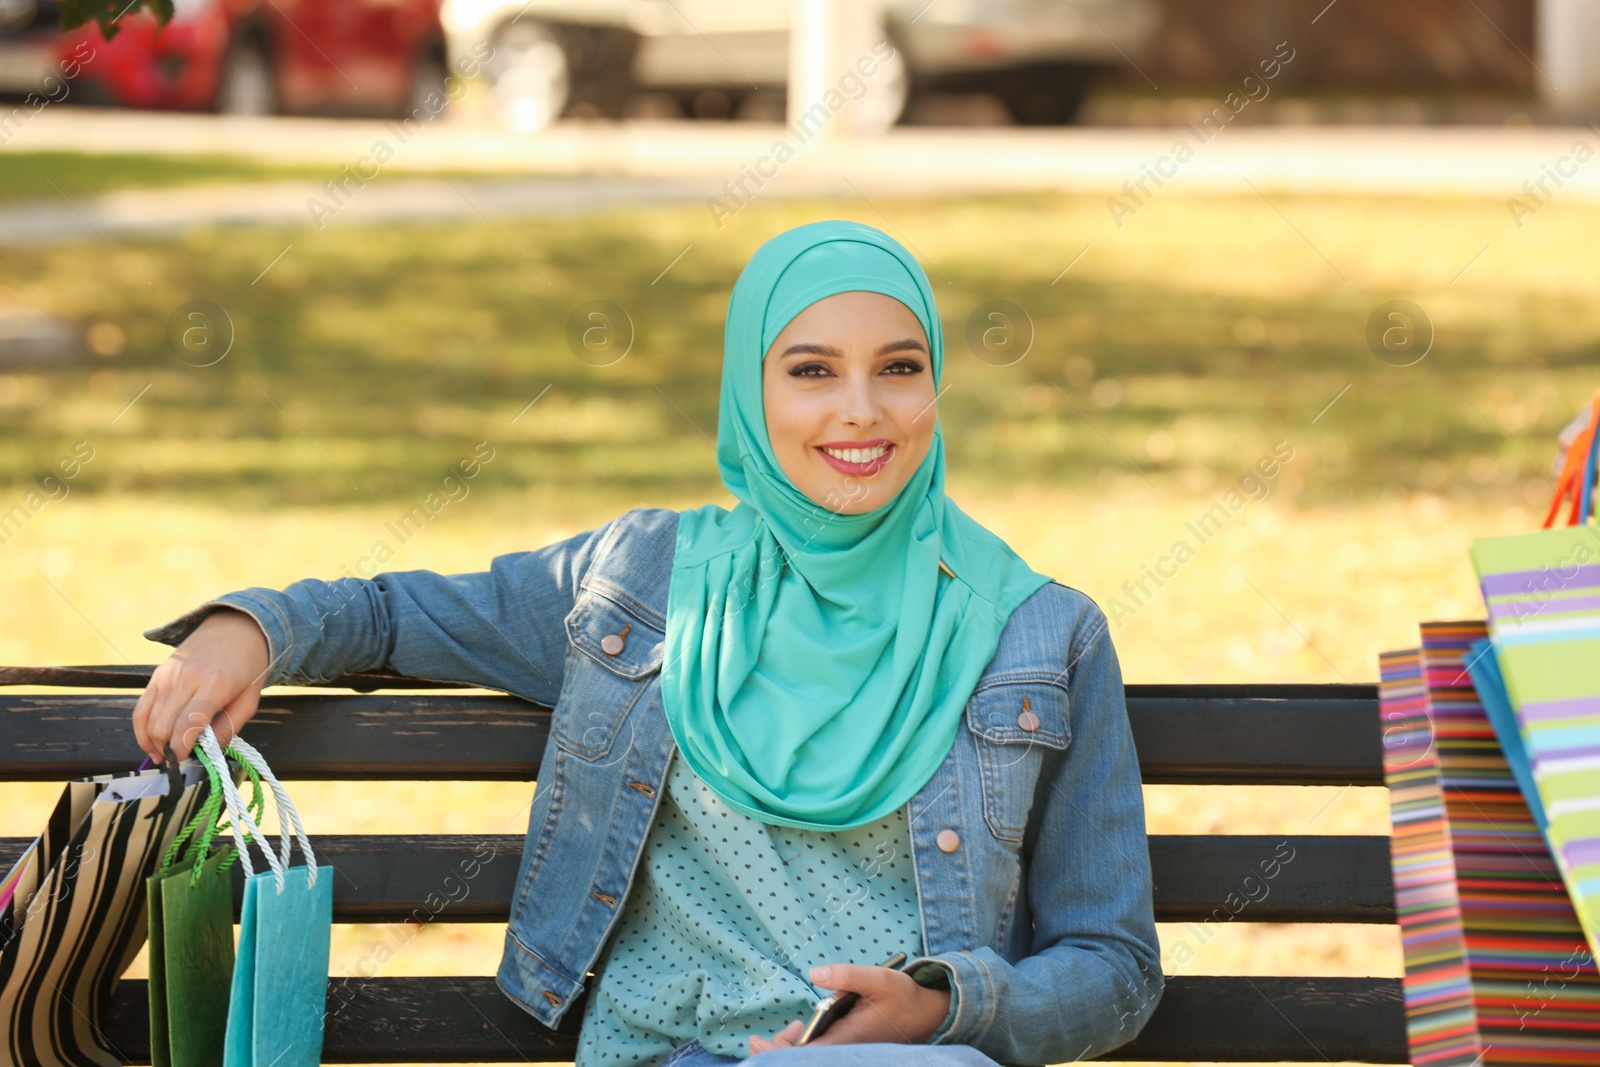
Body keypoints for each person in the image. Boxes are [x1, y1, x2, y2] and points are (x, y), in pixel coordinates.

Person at [130, 220, 1164, 1066]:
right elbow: (398, 613)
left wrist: (942, 1009)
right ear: (750, 396)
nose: (861, 409)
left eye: (898, 367)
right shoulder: (643, 581)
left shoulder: (1037, 630)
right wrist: (250, 626)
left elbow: (1114, 963)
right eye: (810, 369)